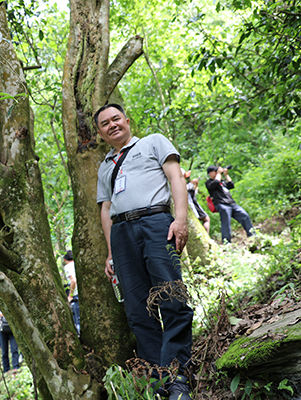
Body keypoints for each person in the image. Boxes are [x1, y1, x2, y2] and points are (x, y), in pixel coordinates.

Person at [95, 103, 193, 400]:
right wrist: (111, 252)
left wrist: (180, 219)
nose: (112, 125)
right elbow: (106, 209)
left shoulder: (153, 142)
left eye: (116, 119)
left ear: (127, 121)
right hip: (122, 234)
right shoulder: (105, 166)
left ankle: (178, 379)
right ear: (100, 133)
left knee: (171, 297)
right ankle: (160, 383)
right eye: (104, 124)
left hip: (156, 223)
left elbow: (176, 177)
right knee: (138, 311)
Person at [205, 165, 255, 243]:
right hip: (221, 204)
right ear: (210, 173)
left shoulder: (222, 182)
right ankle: (226, 241)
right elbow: (215, 183)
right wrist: (218, 174)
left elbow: (231, 185)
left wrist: (226, 175)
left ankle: (252, 235)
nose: (218, 173)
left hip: (232, 204)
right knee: (226, 222)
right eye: (215, 171)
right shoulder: (209, 183)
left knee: (244, 215)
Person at [183, 169, 210, 233]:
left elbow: (193, 193)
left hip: (194, 205)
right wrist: (192, 183)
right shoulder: (179, 184)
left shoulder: (185, 184)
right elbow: (183, 190)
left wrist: (195, 185)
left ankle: (206, 236)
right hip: (189, 207)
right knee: (197, 221)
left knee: (206, 218)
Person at [62, 250, 80, 334]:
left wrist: (71, 295)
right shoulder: (77, 263)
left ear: (65, 259)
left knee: (77, 319)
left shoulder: (68, 266)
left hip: (76, 295)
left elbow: (73, 281)